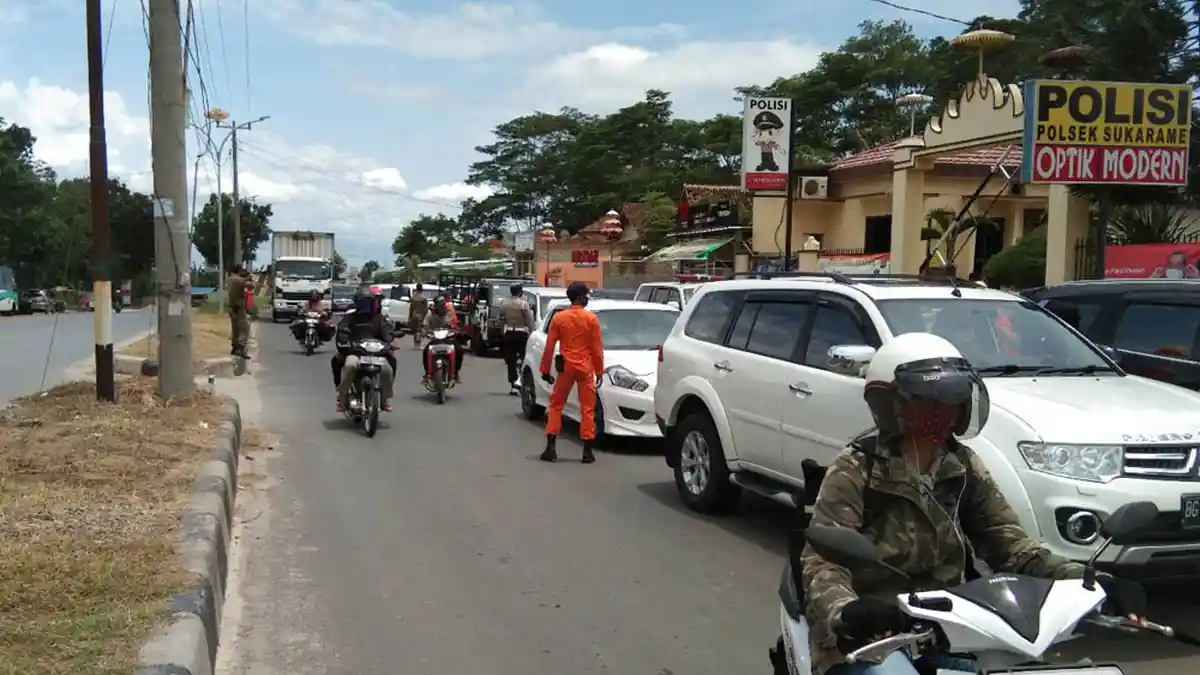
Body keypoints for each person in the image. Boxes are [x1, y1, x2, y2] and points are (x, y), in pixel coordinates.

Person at [799, 332, 1148, 675]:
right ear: (890, 404)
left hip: (953, 622)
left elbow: (1012, 547)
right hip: (873, 632)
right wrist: (847, 610)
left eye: (952, 402)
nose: (943, 414)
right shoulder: (857, 468)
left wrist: (1094, 581)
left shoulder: (962, 466)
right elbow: (823, 561)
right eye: (929, 403)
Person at [539, 282, 604, 464]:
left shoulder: (560, 318)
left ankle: (550, 448)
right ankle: (587, 452)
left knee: (556, 406)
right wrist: (599, 370)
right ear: (580, 297)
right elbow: (597, 349)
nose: (587, 298)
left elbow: (550, 346)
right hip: (586, 369)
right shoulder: (591, 319)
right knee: (587, 409)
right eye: (586, 295)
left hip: (566, 368)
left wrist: (545, 370)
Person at [332, 289, 395, 412]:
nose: (366, 306)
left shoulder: (378, 318)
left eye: (369, 302)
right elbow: (342, 331)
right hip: (356, 353)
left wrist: (390, 341)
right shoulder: (350, 318)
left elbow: (387, 331)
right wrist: (345, 342)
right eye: (363, 303)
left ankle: (385, 398)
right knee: (350, 365)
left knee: (388, 369)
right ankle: (342, 396)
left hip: (377, 354)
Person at [498, 283, 535, 394]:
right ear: (520, 292)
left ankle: (513, 383)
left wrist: (502, 333)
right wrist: (532, 332)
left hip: (509, 332)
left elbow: (501, 320)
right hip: (521, 333)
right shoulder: (524, 304)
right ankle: (522, 381)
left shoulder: (504, 304)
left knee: (511, 360)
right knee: (524, 359)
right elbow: (529, 321)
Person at [423, 299, 463, 383]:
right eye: (439, 306)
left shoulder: (449, 313)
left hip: (447, 339)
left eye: (442, 305)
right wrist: (425, 331)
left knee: (459, 350)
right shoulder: (430, 314)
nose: (441, 307)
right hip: (435, 339)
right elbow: (425, 324)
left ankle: (456, 372)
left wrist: (454, 329)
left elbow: (451, 323)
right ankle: (427, 373)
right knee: (425, 351)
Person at [226, 264, 251, 359]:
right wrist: (248, 278)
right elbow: (251, 287)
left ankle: (235, 347)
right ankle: (240, 348)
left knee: (235, 328)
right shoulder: (238, 280)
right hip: (239, 307)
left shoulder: (229, 279)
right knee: (244, 328)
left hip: (231, 306)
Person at [408, 283, 430, 347]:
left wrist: (410, 316)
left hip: (413, 315)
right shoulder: (424, 298)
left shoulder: (412, 298)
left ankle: (415, 343)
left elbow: (410, 308)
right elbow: (426, 309)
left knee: (415, 329)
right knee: (419, 329)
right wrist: (424, 316)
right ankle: (418, 343)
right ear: (422, 289)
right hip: (421, 315)